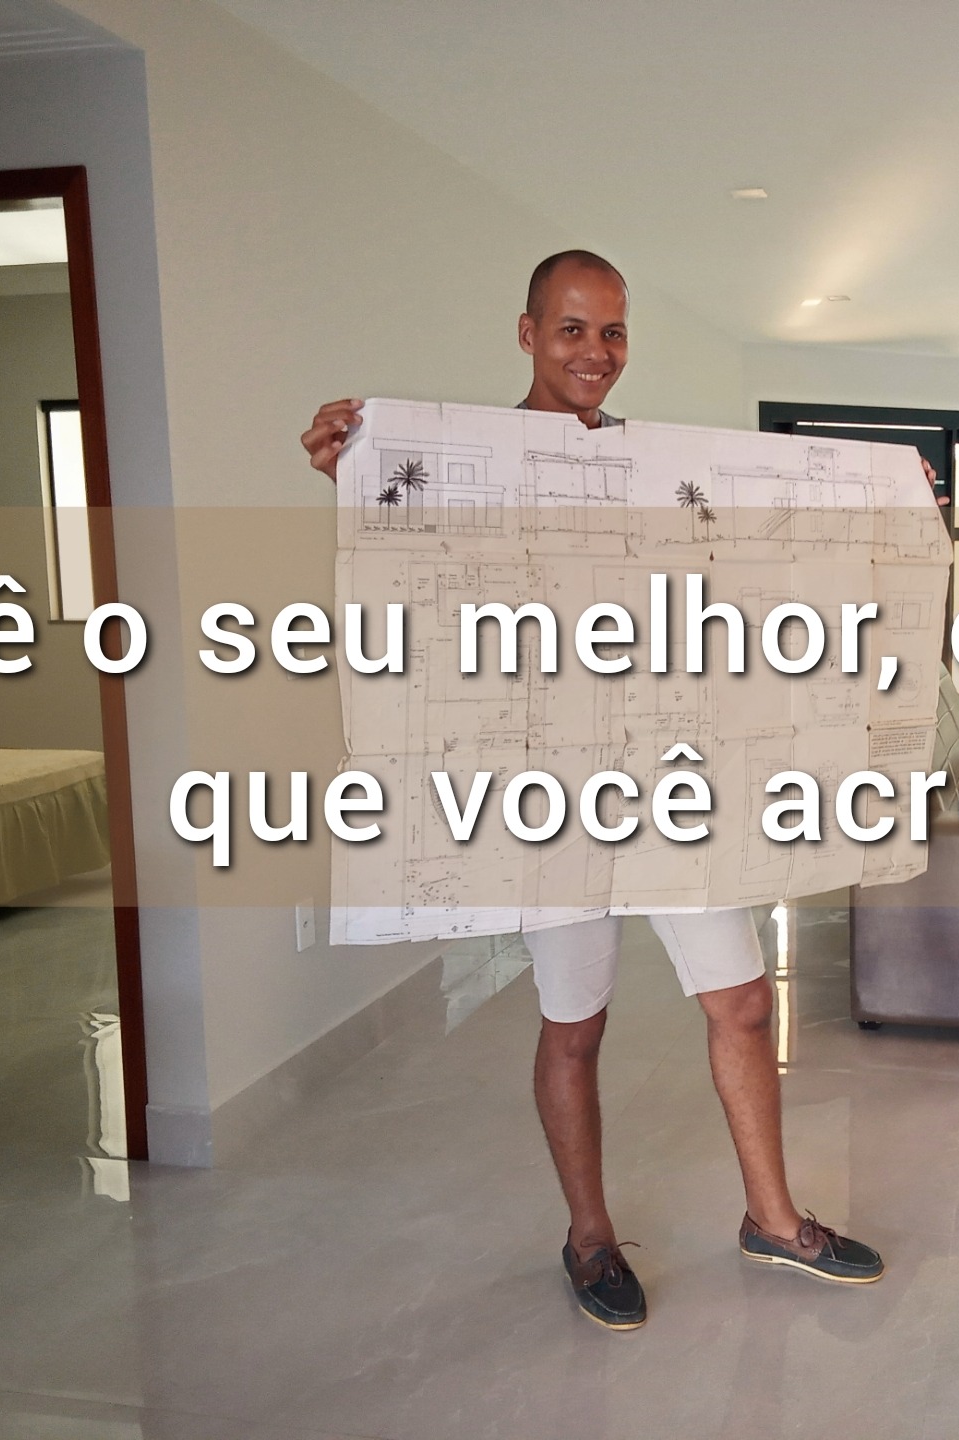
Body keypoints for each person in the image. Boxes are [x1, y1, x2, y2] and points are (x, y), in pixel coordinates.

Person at [300, 250, 884, 1332]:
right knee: (575, 1023)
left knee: (744, 1002)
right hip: (546, 786)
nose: (595, 354)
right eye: (572, 330)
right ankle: (588, 1237)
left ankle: (773, 1216)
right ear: (526, 334)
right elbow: (413, 572)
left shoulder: (659, 466)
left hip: (667, 772)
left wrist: (889, 502)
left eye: (613, 333)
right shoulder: (463, 461)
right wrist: (352, 474)